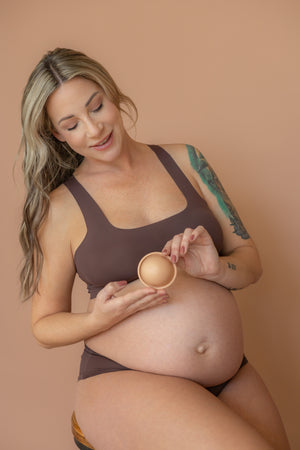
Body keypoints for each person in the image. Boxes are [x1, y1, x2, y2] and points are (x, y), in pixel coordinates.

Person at [19, 48, 290, 450]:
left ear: (112, 94)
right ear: (57, 134)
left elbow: (251, 262)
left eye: (97, 107)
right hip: (126, 377)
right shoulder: (60, 208)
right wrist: (97, 318)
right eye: (72, 124)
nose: (94, 130)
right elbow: (44, 326)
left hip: (230, 375)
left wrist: (216, 269)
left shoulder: (187, 161)